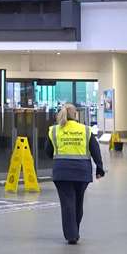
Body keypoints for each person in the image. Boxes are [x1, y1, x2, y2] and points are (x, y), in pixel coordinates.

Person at [48, 103, 105, 244]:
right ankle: (75, 231)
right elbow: (95, 149)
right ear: (76, 115)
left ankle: (71, 234)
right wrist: (99, 167)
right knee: (78, 203)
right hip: (82, 172)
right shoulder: (85, 130)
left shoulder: (54, 130)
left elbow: (48, 152)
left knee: (67, 203)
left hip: (62, 172)